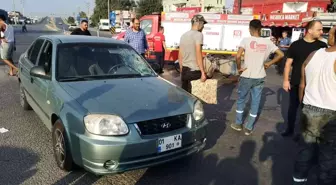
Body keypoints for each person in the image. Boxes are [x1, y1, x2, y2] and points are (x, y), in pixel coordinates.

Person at [292, 31, 336, 185]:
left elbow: (302, 85)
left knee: (305, 150)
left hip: (309, 108)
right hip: (331, 113)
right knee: (328, 156)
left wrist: (302, 106)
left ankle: (298, 180)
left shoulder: (313, 54)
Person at [230, 19, 284, 135]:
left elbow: (238, 56)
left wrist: (239, 68)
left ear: (250, 29)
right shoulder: (268, 42)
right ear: (260, 29)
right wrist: (269, 63)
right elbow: (281, 54)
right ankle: (249, 127)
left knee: (241, 100)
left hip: (246, 75)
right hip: (259, 76)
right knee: (255, 102)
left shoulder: (246, 40)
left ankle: (238, 124)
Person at [281, 20, 328, 137]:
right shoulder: (296, 45)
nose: (321, 32)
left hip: (313, 85)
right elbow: (288, 64)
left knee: (307, 111)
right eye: (319, 29)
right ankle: (290, 129)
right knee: (293, 108)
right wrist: (286, 80)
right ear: (310, 30)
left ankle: (303, 133)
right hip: (296, 82)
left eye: (322, 29)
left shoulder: (322, 46)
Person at [179, 14, 207, 93]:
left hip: (184, 70)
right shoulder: (199, 35)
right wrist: (202, 72)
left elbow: (180, 54)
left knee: (185, 95)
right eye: (203, 24)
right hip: (194, 71)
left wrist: (181, 69)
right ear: (199, 23)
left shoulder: (183, 35)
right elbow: (198, 53)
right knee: (196, 97)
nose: (203, 26)